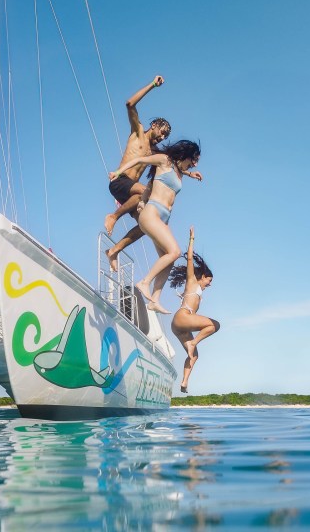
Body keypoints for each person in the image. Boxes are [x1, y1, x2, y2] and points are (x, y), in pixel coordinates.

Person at [107, 139, 202, 313]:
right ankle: (144, 282)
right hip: (152, 213)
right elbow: (139, 160)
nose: (194, 164)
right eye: (194, 159)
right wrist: (118, 172)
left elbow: (177, 169)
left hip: (164, 219)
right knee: (175, 252)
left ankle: (154, 300)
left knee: (169, 261)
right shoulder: (164, 160)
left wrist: (191, 174)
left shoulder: (179, 171)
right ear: (186, 153)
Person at [104, 75, 171, 271]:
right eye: (162, 132)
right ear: (154, 126)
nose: (162, 137)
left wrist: (191, 173)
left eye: (166, 136)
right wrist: (152, 85)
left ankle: (114, 251)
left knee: (145, 224)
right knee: (146, 193)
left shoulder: (154, 151)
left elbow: (173, 162)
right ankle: (114, 217)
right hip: (119, 181)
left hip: (131, 193)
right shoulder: (138, 131)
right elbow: (129, 104)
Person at [169, 226, 218, 393]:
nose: (209, 284)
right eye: (208, 281)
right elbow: (189, 259)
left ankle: (184, 382)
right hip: (183, 317)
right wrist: (192, 239)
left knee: (194, 355)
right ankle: (193, 343)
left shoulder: (199, 290)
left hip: (179, 326)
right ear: (202, 277)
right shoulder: (192, 282)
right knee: (214, 325)